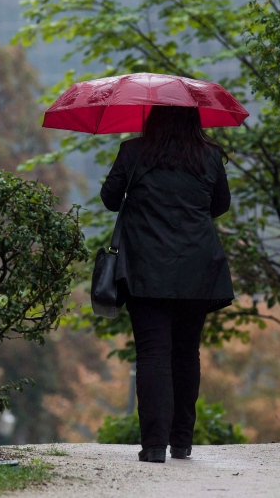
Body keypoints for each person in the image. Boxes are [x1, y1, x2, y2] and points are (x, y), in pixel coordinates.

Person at [100, 104, 234, 464]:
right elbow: (219, 205)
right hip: (198, 266)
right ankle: (181, 442)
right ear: (194, 118)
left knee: (153, 352)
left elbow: (110, 199)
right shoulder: (208, 155)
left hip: (146, 268)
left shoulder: (133, 151)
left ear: (153, 118)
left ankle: (155, 445)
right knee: (187, 352)